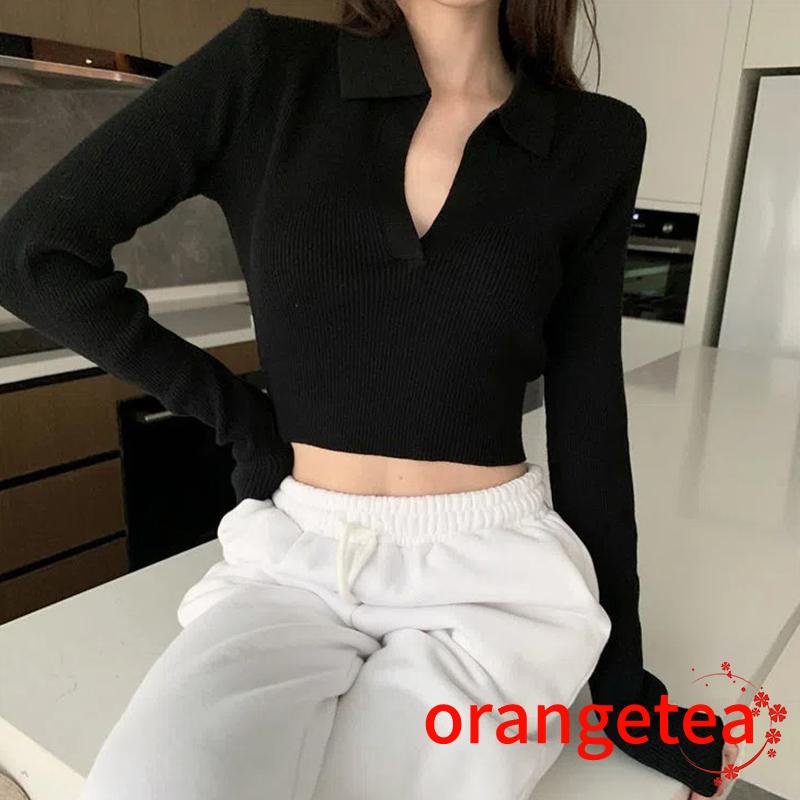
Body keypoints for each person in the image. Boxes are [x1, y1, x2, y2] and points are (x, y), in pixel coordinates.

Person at [0, 1, 737, 798]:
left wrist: (623, 687)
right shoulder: (268, 70)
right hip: (294, 561)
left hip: (492, 586)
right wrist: (240, 419)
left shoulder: (595, 140)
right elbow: (37, 254)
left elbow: (589, 415)